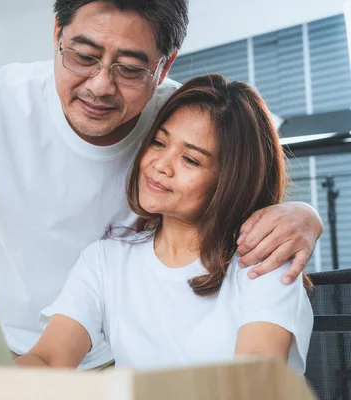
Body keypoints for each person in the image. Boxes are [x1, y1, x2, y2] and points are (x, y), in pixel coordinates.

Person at [0, 1, 322, 369]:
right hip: (10, 344)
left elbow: (255, 380)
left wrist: (304, 214)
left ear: (164, 65)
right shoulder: (105, 260)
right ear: (58, 34)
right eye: (83, 56)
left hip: (111, 362)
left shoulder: (178, 111)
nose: (100, 86)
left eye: (131, 69)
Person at [16, 74, 314, 374]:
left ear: (231, 180)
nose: (160, 165)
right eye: (159, 143)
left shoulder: (263, 262)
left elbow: (255, 384)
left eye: (190, 160)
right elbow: (50, 358)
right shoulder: (105, 261)